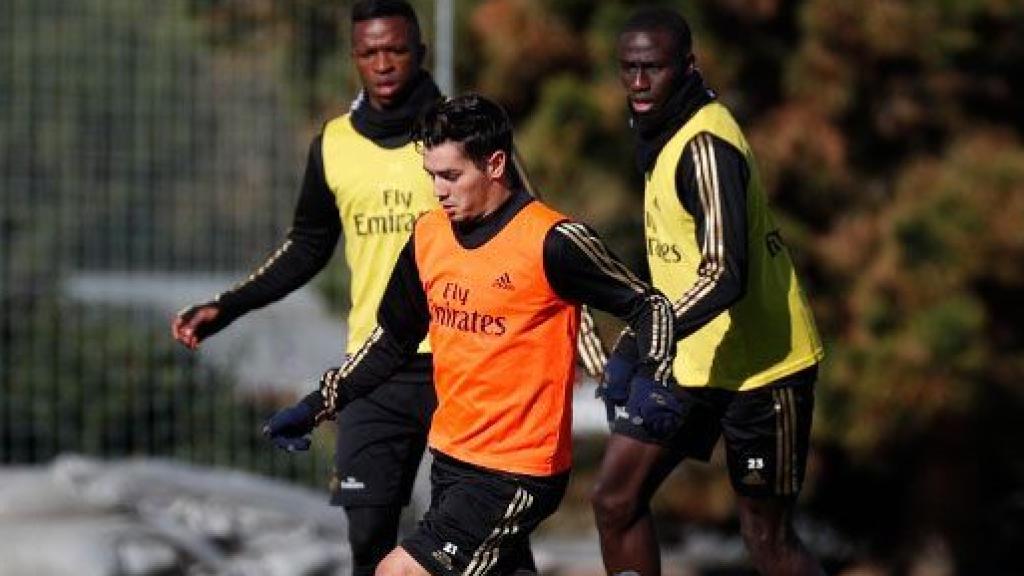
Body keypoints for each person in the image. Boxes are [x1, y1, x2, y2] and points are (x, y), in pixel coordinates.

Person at [263, 94, 679, 576]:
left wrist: (652, 374)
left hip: (516, 468)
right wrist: (317, 404)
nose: (438, 190)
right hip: (453, 457)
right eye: (432, 175)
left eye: (452, 176)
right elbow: (390, 342)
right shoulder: (427, 237)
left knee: (395, 572)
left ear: (496, 163)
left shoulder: (552, 241)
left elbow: (649, 305)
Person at [172, 2, 442, 575]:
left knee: (470, 535)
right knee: (368, 531)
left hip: (462, 359)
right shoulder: (334, 145)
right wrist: (228, 305)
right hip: (375, 365)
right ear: (355, 59)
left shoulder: (457, 134)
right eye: (370, 53)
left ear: (421, 54)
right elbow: (306, 247)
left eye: (396, 50)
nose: (384, 63)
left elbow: (526, 230)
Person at [590, 7, 827, 576]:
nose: (639, 84)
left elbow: (724, 274)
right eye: (628, 69)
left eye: (654, 68)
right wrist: (636, 341)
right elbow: (679, 262)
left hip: (763, 369)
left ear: (688, 66)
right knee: (615, 501)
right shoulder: (658, 130)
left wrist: (645, 336)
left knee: (765, 539)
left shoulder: (705, 146)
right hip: (690, 361)